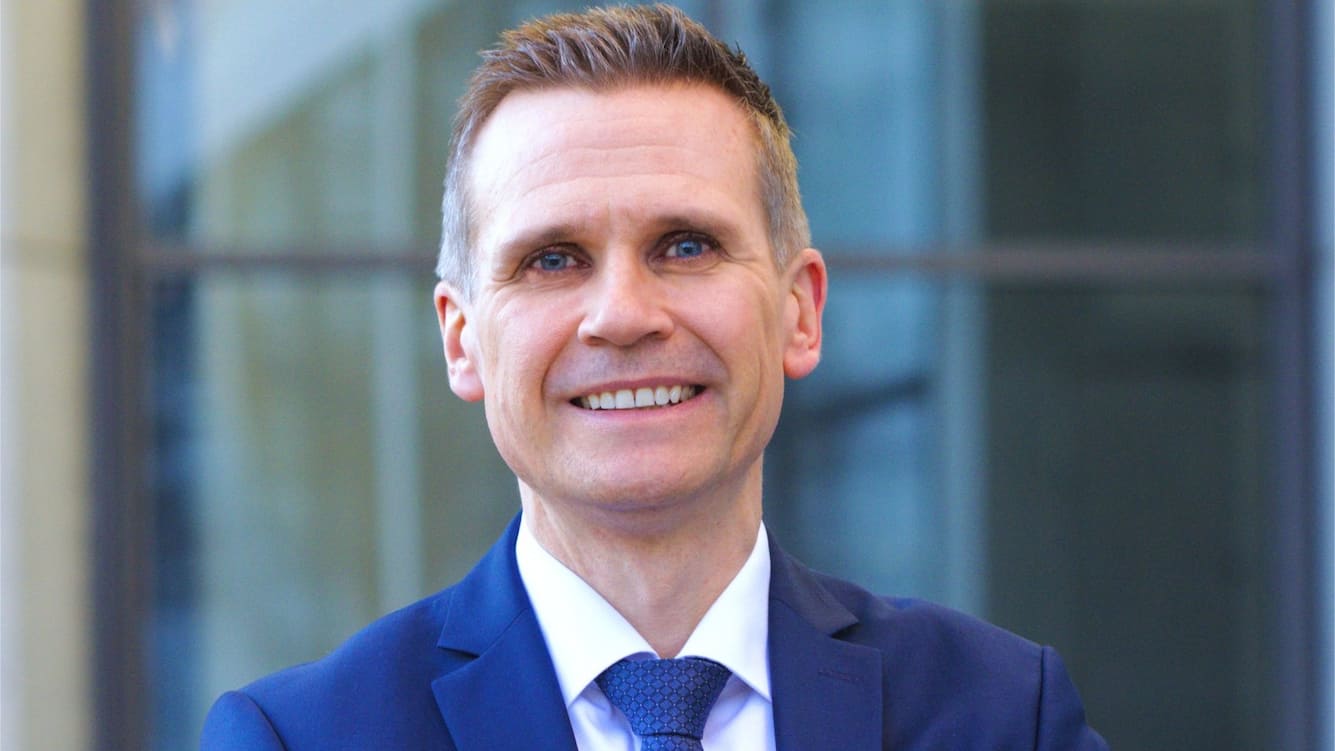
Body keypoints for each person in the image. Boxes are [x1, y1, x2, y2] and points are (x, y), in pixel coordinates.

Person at [201, 5, 1108, 750]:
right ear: (462, 339)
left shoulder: (1002, 715)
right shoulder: (302, 737)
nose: (624, 313)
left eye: (685, 245)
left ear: (799, 311)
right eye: (552, 258)